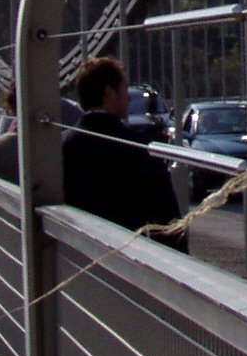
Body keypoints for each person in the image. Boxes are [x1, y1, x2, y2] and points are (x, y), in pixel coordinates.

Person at [63, 56, 186, 251]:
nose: (128, 98)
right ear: (109, 93)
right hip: (125, 258)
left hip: (74, 256)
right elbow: (167, 222)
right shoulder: (139, 148)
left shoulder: (61, 147)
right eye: (124, 89)